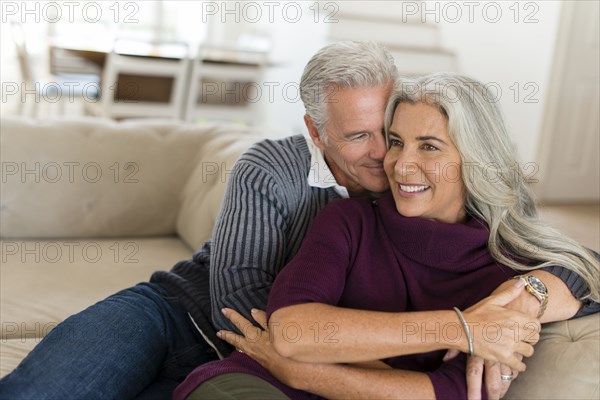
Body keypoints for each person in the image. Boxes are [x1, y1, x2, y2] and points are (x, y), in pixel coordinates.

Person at [0, 43, 593, 399]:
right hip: (183, 314)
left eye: (386, 131)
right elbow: (247, 311)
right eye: (361, 137)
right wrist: (429, 347)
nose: (385, 158)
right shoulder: (279, 174)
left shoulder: (434, 194)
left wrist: (525, 298)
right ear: (315, 132)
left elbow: (555, 256)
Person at [175, 73, 600, 400]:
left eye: (429, 146)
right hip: (254, 386)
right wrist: (463, 327)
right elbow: (293, 331)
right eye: (397, 141)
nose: (398, 163)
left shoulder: (507, 268)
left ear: (475, 159)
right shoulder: (349, 219)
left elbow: (450, 393)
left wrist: (305, 373)